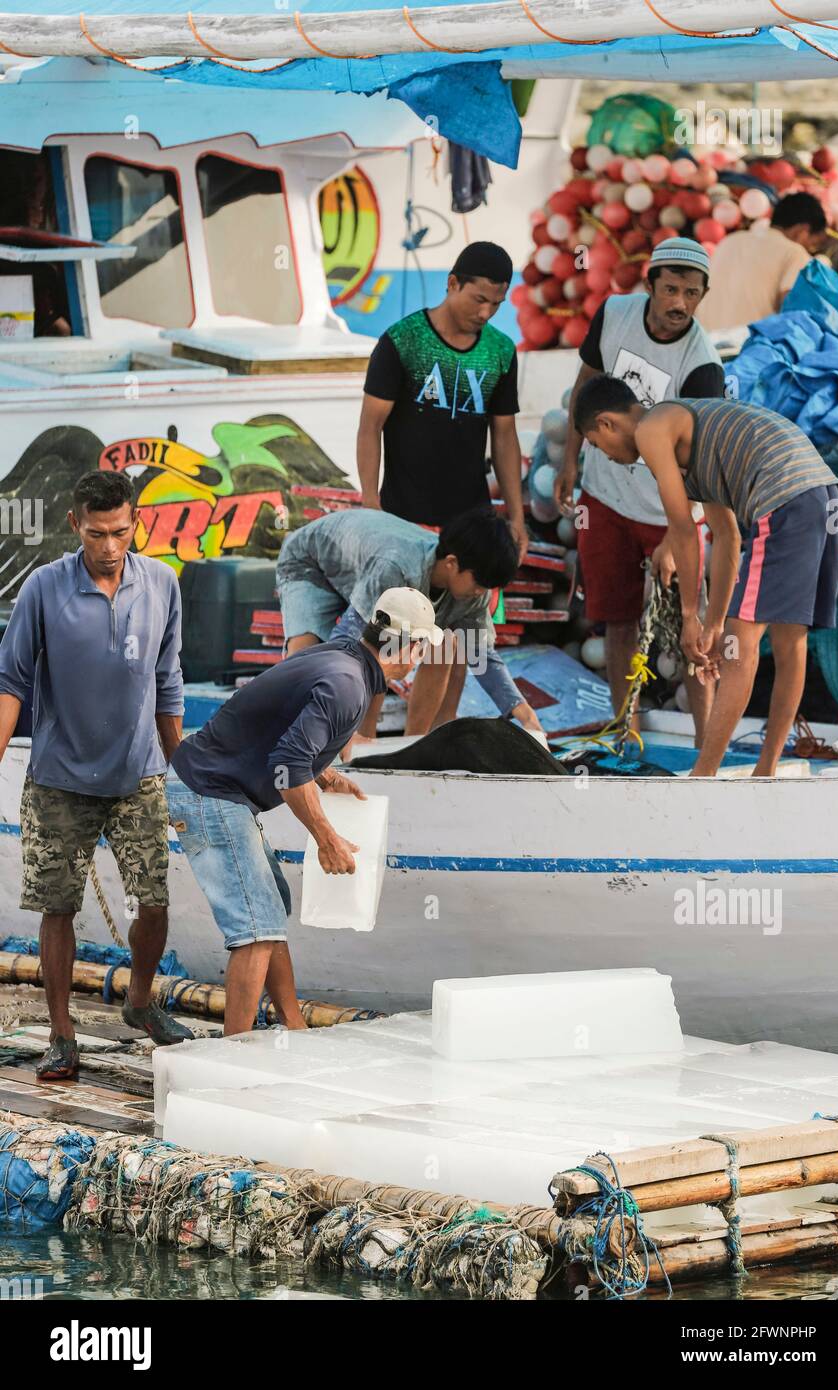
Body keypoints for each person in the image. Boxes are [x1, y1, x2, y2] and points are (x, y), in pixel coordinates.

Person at [167, 589, 439, 1035]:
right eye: (421, 647)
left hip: (212, 785)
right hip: (207, 791)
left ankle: (292, 1025)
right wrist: (326, 838)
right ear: (406, 647)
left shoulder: (345, 656)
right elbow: (288, 766)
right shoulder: (347, 684)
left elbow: (290, 733)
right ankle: (234, 1054)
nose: (419, 658)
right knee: (255, 927)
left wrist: (325, 774)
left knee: (272, 905)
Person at [0, 470, 192, 1080]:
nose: (110, 546)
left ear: (136, 522)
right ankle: (62, 1032)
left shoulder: (161, 583)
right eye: (96, 533)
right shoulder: (43, 589)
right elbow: (11, 681)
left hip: (139, 775)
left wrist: (181, 765)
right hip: (59, 778)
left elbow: (169, 680)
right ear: (73, 526)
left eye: (121, 531)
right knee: (58, 908)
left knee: (155, 902)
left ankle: (139, 1001)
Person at [572, 374, 838, 777]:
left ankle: (704, 774)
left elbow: (682, 530)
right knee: (789, 640)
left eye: (596, 444)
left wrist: (690, 616)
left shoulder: (652, 429)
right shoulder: (698, 440)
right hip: (821, 492)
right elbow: (728, 537)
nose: (605, 456)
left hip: (783, 496)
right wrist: (711, 623)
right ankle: (764, 771)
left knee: (741, 643)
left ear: (608, 423)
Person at [555, 237, 725, 743]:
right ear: (648, 284)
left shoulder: (703, 365)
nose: (679, 303)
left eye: (692, 294)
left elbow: (701, 461)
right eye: (670, 289)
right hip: (604, 497)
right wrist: (569, 459)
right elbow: (586, 388)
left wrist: (679, 533)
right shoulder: (614, 314)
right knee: (617, 616)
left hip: (668, 509)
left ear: (702, 295)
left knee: (690, 633)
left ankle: (705, 739)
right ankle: (621, 725)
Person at [275, 506, 544, 740]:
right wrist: (343, 732)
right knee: (315, 656)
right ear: (452, 563)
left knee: (444, 644)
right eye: (479, 584)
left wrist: (522, 711)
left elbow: (480, 655)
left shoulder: (473, 589)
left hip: (365, 569)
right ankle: (336, 744)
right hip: (309, 562)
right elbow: (346, 642)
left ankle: (414, 743)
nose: (481, 593)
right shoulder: (398, 568)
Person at [358, 240, 528, 561]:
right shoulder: (402, 341)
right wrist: (370, 501)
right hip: (402, 517)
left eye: (496, 304)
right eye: (478, 299)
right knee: (403, 610)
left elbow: (505, 435)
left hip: (473, 523)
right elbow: (370, 425)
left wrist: (517, 517)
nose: (485, 313)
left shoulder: (502, 351)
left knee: (472, 610)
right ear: (452, 284)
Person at [696, 192, 827, 333]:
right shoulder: (795, 253)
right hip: (747, 348)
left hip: (705, 342)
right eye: (813, 244)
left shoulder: (730, 241)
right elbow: (794, 312)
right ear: (802, 231)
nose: (810, 250)